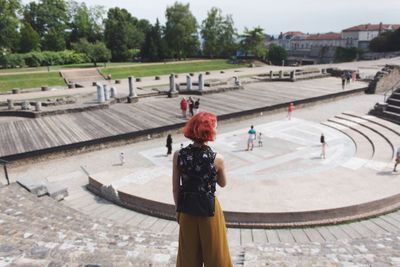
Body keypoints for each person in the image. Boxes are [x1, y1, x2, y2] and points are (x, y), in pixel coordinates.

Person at [172, 112, 232, 267]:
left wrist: (178, 211)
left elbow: (175, 188)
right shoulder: (217, 158)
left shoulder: (179, 155)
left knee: (188, 257)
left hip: (186, 208)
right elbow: (223, 183)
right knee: (216, 255)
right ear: (209, 132)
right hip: (209, 209)